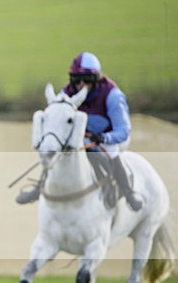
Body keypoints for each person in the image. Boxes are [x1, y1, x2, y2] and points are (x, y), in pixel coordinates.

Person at [16, 51, 142, 210]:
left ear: (95, 79)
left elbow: (123, 130)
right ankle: (39, 188)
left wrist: (104, 138)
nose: (81, 85)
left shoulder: (112, 95)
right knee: (55, 153)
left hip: (106, 139)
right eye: (77, 80)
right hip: (79, 138)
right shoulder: (67, 93)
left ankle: (129, 194)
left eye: (86, 80)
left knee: (111, 153)